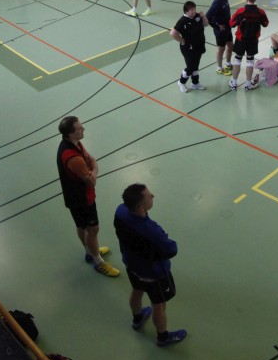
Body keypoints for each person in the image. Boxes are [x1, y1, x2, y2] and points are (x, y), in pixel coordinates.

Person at [113, 184, 185, 347]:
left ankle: (137, 318)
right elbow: (171, 249)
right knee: (159, 305)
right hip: (153, 274)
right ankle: (163, 337)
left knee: (137, 290)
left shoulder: (120, 211)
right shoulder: (152, 232)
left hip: (132, 265)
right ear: (141, 207)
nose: (153, 195)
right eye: (149, 195)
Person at [56, 116, 119, 277]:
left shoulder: (72, 143)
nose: (83, 129)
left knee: (81, 226)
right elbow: (92, 181)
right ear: (71, 133)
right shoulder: (74, 158)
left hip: (73, 198)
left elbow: (90, 158)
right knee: (93, 229)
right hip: (83, 199)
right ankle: (99, 262)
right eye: (80, 128)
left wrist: (92, 165)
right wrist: (95, 168)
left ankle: (90, 252)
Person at [229, 0, 268, 90]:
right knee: (250, 60)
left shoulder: (241, 11)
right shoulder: (260, 12)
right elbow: (265, 23)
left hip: (241, 40)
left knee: (237, 59)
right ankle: (248, 84)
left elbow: (231, 23)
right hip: (253, 40)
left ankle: (234, 83)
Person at [170, 1, 210, 94]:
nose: (194, 11)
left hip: (199, 45)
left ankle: (195, 83)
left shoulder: (197, 16)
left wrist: (203, 16)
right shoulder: (183, 21)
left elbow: (206, 24)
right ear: (186, 11)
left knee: (196, 65)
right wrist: (181, 40)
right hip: (188, 48)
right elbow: (173, 33)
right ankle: (181, 82)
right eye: (191, 10)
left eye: (194, 9)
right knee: (190, 67)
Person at [206, 0, 233, 75]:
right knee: (221, 49)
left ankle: (228, 64)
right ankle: (219, 68)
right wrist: (217, 26)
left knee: (230, 46)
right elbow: (207, 17)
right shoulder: (217, 2)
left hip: (227, 28)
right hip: (220, 31)